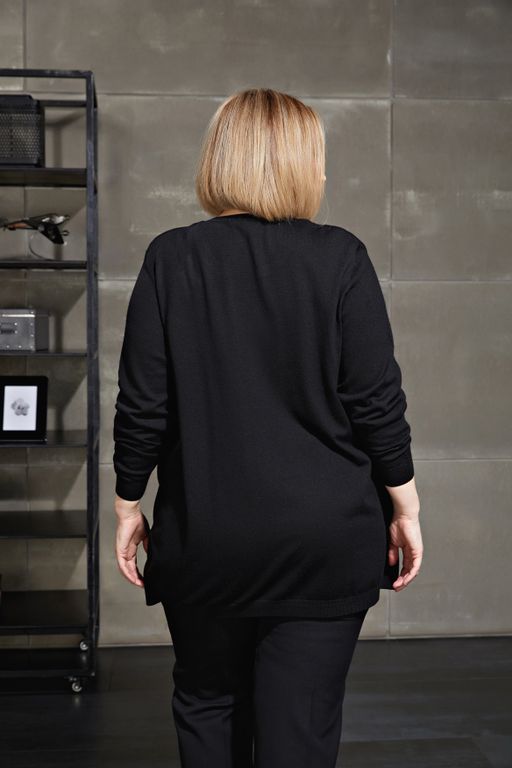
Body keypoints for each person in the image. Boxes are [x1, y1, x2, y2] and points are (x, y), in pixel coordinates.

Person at [112, 87, 423, 768]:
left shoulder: (172, 258)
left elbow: (143, 403)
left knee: (207, 709)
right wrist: (405, 506)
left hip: (206, 539)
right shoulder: (341, 257)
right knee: (299, 728)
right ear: (302, 164)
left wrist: (129, 504)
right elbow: (375, 402)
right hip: (323, 542)